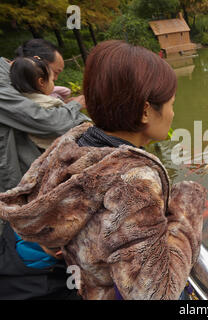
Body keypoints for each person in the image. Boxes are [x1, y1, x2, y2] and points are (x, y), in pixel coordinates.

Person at [0, 40, 206, 300]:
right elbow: (155, 295)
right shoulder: (133, 181)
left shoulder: (72, 144)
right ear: (145, 111)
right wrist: (187, 207)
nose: (173, 114)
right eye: (171, 104)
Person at [0, 39, 89, 300]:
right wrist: (76, 105)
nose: (52, 79)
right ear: (37, 70)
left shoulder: (14, 84)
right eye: (56, 73)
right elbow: (48, 122)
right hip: (17, 216)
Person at [10, 56, 66, 149]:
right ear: (41, 82)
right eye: (52, 80)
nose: (54, 82)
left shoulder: (19, 102)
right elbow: (68, 122)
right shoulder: (50, 104)